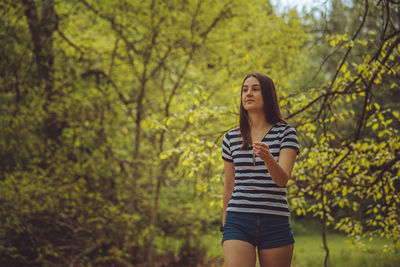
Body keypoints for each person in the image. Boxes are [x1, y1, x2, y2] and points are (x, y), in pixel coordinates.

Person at [221, 72, 299, 267]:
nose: (248, 93)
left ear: (268, 95)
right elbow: (228, 187)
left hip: (275, 222)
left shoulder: (286, 133)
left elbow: (282, 179)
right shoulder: (230, 137)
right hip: (238, 220)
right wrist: (225, 226)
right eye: (245, 90)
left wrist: (268, 158)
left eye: (255, 89)